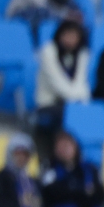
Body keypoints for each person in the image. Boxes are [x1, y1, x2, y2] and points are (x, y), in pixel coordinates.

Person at [34, 20, 91, 163]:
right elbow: (57, 83)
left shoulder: (83, 54)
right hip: (50, 104)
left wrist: (81, 100)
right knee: (63, 117)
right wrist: (77, 98)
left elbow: (81, 82)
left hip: (73, 103)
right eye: (68, 34)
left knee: (90, 114)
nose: (71, 39)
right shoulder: (48, 51)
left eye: (75, 35)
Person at [40, 131, 104, 207]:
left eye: (67, 145)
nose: (64, 149)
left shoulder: (89, 169)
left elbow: (99, 194)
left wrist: (71, 190)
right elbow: (50, 192)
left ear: (75, 147)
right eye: (61, 146)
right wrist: (83, 191)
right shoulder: (49, 168)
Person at [0, 133, 42, 207]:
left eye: (25, 154)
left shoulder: (34, 182)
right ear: (10, 154)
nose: (22, 158)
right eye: (18, 153)